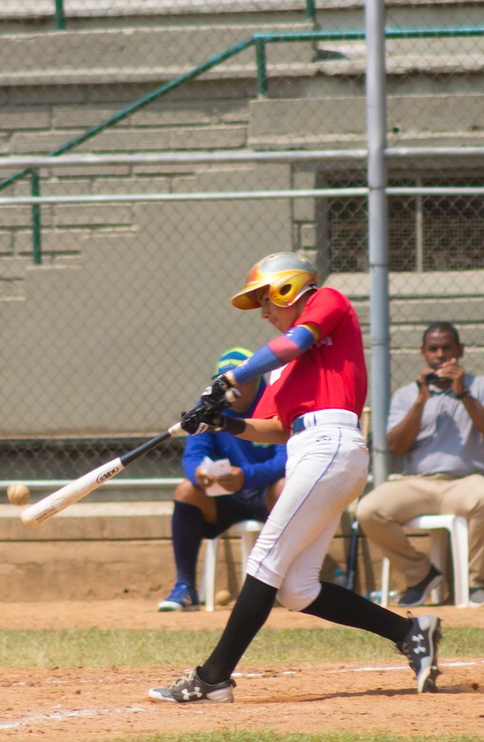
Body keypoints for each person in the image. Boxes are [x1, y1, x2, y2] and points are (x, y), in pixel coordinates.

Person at [148, 252, 443, 704]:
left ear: (288, 288)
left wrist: (232, 376)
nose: (264, 313)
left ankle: (212, 679)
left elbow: (295, 341)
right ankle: (409, 631)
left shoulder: (327, 302)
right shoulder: (280, 369)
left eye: (267, 300)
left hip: (332, 445)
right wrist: (220, 420)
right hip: (310, 453)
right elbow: (274, 429)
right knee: (298, 589)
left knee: (264, 560)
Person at [355, 322, 484, 607]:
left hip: (465, 481)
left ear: (459, 351)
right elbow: (396, 447)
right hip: (417, 483)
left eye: (447, 348)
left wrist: (462, 393)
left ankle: (474, 583)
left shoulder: (482, 386)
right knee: (368, 510)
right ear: (423, 354)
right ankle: (421, 575)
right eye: (433, 349)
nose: (440, 355)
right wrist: (421, 400)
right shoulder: (406, 394)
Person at [157, 347, 287, 612]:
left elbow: (287, 459)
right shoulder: (209, 408)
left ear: (255, 378)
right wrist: (200, 475)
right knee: (186, 490)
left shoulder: (276, 402)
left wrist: (246, 477)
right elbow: (193, 456)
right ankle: (185, 587)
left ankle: (287, 585)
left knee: (287, 487)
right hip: (226, 495)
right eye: (224, 381)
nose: (231, 390)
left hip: (267, 493)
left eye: (240, 380)